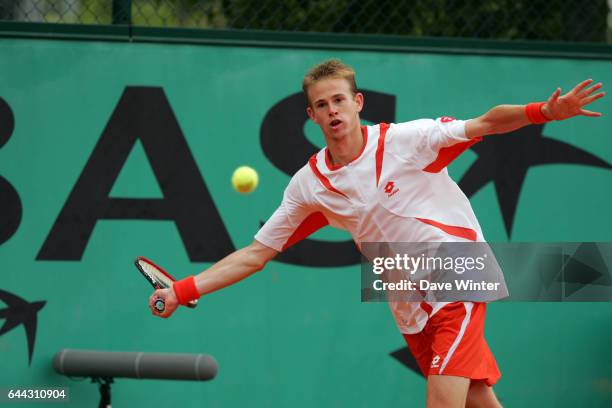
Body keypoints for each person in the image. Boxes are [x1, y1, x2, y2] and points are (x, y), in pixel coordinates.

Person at [149, 59, 604, 407]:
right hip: (406, 299)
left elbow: (486, 122)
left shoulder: (408, 141)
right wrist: (183, 289)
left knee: (443, 401)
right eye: (322, 105)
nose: (333, 111)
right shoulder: (310, 185)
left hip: (457, 273)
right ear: (311, 115)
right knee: (476, 400)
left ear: (357, 103)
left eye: (339, 101)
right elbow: (254, 254)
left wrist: (544, 110)